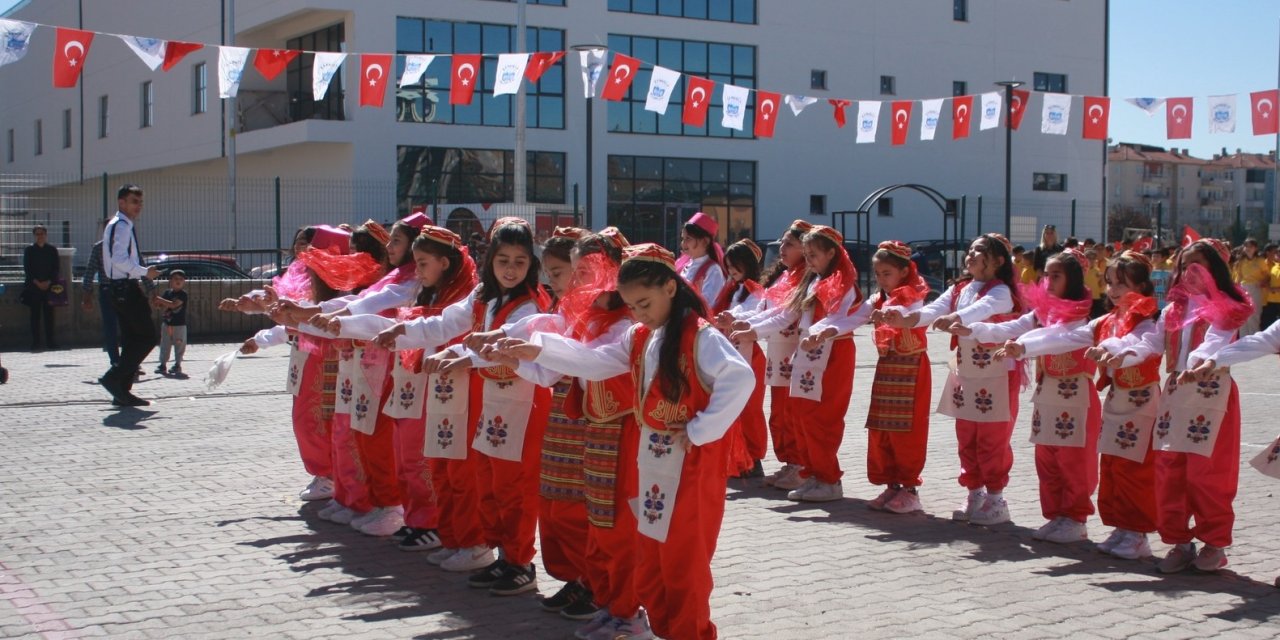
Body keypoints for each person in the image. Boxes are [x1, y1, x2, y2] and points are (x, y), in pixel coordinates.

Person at [496, 242, 754, 640]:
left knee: (682, 560)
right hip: (653, 461)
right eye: (633, 306)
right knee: (652, 557)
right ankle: (662, 628)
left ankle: (689, 632)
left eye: (645, 303)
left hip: (692, 465)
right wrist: (538, 350)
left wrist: (700, 429)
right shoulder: (640, 335)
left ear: (671, 287)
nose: (640, 313)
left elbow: (740, 378)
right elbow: (594, 361)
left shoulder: (700, 336)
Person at [1114, 239, 1249, 574]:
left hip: (1211, 391)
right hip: (1175, 392)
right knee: (1169, 470)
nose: (1189, 271)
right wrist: (1119, 351)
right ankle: (1178, 541)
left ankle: (1214, 543)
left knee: (1207, 473)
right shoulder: (1174, 309)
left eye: (1198, 263)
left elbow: (1217, 339)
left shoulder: (1228, 306)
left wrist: (1199, 360)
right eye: (1185, 264)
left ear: (1215, 268)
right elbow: (1150, 341)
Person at [882, 233, 1023, 526]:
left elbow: (981, 309)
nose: (969, 255)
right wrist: (905, 319)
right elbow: (933, 309)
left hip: (997, 376)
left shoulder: (1001, 292)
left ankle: (996, 499)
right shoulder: (961, 288)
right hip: (966, 373)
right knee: (967, 435)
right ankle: (974, 493)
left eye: (978, 251)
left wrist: (956, 317)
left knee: (992, 438)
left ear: (998, 261)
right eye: (969, 250)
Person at [963, 249, 1100, 544]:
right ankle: (1056, 515)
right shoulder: (1042, 312)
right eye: (1046, 275)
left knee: (1074, 460)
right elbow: (1013, 326)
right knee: (1047, 458)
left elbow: (1058, 338)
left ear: (1073, 279)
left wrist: (1022, 346)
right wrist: (974, 329)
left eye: (1056, 276)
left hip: (1076, 395)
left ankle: (1076, 518)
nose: (1048, 281)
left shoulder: (1083, 316)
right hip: (1047, 392)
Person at [732, 226, 869, 503]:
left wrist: (823, 331)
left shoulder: (844, 283)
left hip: (835, 351)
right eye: (806, 254)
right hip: (809, 351)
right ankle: (813, 474)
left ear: (831, 253)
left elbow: (846, 317)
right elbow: (785, 315)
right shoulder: (813, 281)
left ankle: (829, 479)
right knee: (802, 414)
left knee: (824, 417)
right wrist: (751, 329)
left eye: (813, 254)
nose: (809, 260)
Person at [719, 220, 811, 490]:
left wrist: (750, 329)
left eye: (789, 244)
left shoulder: (806, 278)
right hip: (777, 350)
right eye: (782, 242)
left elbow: (785, 315)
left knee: (793, 411)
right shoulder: (783, 277)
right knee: (780, 411)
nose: (782, 248)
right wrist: (739, 320)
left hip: (795, 350)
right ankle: (791, 462)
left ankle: (801, 465)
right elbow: (764, 309)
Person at [1083, 250, 1161, 561]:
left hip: (1141, 401)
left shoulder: (1149, 321)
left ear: (1141, 286)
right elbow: (1069, 335)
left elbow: (1137, 345)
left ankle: (1138, 533)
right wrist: (1024, 344)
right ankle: (1121, 526)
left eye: (1121, 283)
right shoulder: (1108, 320)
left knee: (1135, 468)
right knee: (1113, 465)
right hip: (1117, 399)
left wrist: (1109, 349)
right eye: (1110, 282)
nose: (1113, 290)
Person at [863, 241, 932, 514]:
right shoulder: (880, 298)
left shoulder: (914, 294)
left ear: (904, 272)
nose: (881, 279)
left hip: (911, 367)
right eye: (878, 274)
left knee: (907, 430)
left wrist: (890, 314)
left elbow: (909, 311)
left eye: (887, 273)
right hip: (887, 368)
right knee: (882, 427)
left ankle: (910, 490)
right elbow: (857, 314)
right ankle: (891, 485)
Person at [99, 185, 162, 407]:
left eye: (140, 202)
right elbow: (119, 259)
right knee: (147, 337)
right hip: (125, 288)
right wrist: (145, 272)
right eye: (134, 201)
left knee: (132, 339)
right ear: (122, 202)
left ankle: (122, 391)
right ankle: (113, 378)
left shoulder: (118, 224)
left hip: (117, 288)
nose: (139, 206)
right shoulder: (122, 226)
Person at [711, 238, 768, 478]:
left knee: (750, 408)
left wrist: (730, 318)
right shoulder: (733, 289)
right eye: (729, 265)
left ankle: (754, 457)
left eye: (736, 265)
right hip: (730, 351)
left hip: (748, 352)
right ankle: (737, 459)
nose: (732, 270)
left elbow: (752, 312)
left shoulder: (757, 291)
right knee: (733, 406)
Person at [81, 228, 121, 368]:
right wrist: (86, 295)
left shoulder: (127, 245)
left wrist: (150, 289)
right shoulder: (99, 248)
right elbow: (90, 271)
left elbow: (138, 265)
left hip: (125, 289)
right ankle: (115, 361)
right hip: (107, 289)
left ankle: (129, 361)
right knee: (110, 327)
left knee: (129, 326)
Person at [22, 224, 60, 351]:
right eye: (37, 234)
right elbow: (27, 269)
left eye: (42, 234)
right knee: (35, 316)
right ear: (34, 236)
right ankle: (36, 342)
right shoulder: (29, 250)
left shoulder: (52, 250)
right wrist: (37, 282)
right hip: (34, 288)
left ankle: (51, 342)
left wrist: (49, 282)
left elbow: (56, 268)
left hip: (49, 287)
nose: (40, 236)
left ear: (46, 235)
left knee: (50, 315)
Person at [677, 211, 727, 307]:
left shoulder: (713, 270)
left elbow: (706, 305)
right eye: (683, 239)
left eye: (688, 238)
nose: (683, 243)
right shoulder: (684, 266)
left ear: (705, 241)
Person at [154, 270, 189, 376]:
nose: (178, 281)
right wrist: (157, 303)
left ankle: (177, 364)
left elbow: (174, 305)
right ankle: (162, 364)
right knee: (165, 344)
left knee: (179, 344)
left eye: (181, 279)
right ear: (170, 281)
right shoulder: (167, 293)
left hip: (179, 325)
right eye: (175, 279)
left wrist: (160, 300)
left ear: (184, 282)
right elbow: (161, 306)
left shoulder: (183, 294)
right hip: (167, 323)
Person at [1233, 238, 1267, 336]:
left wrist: (1262, 282)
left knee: (1254, 315)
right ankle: (1243, 339)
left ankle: (1254, 338)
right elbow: (1238, 277)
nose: (1248, 249)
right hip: (1243, 288)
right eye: (1246, 246)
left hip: (1255, 288)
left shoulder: (1260, 261)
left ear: (1255, 248)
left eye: (1251, 246)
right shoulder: (1241, 261)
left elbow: (1267, 276)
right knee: (1243, 315)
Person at [1262, 243, 1280, 330]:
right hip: (1271, 301)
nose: (1278, 254)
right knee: (1268, 325)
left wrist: (1271, 288)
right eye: (1277, 252)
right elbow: (1270, 278)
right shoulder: (1274, 267)